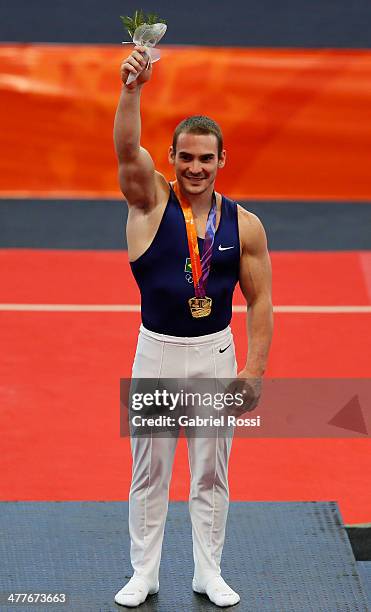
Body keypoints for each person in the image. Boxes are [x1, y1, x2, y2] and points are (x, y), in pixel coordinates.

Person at [113, 45, 273, 608]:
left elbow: (260, 300)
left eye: (206, 158)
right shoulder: (149, 205)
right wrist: (132, 87)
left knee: (210, 473)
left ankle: (210, 572)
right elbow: (127, 149)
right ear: (173, 159)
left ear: (221, 160)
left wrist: (253, 369)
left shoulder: (246, 225)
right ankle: (144, 572)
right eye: (185, 157)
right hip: (155, 355)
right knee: (149, 472)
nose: (195, 168)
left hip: (214, 356)